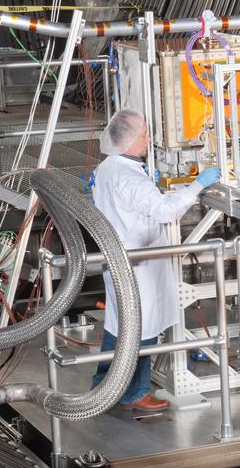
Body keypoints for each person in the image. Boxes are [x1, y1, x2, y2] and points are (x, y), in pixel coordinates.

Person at [89, 109, 220, 411]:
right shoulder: (128, 178)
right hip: (138, 265)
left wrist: (152, 186)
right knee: (141, 329)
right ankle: (134, 393)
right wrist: (198, 186)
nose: (149, 139)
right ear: (129, 140)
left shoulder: (111, 167)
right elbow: (165, 212)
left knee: (118, 326)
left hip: (119, 259)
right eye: (145, 135)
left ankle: (103, 387)